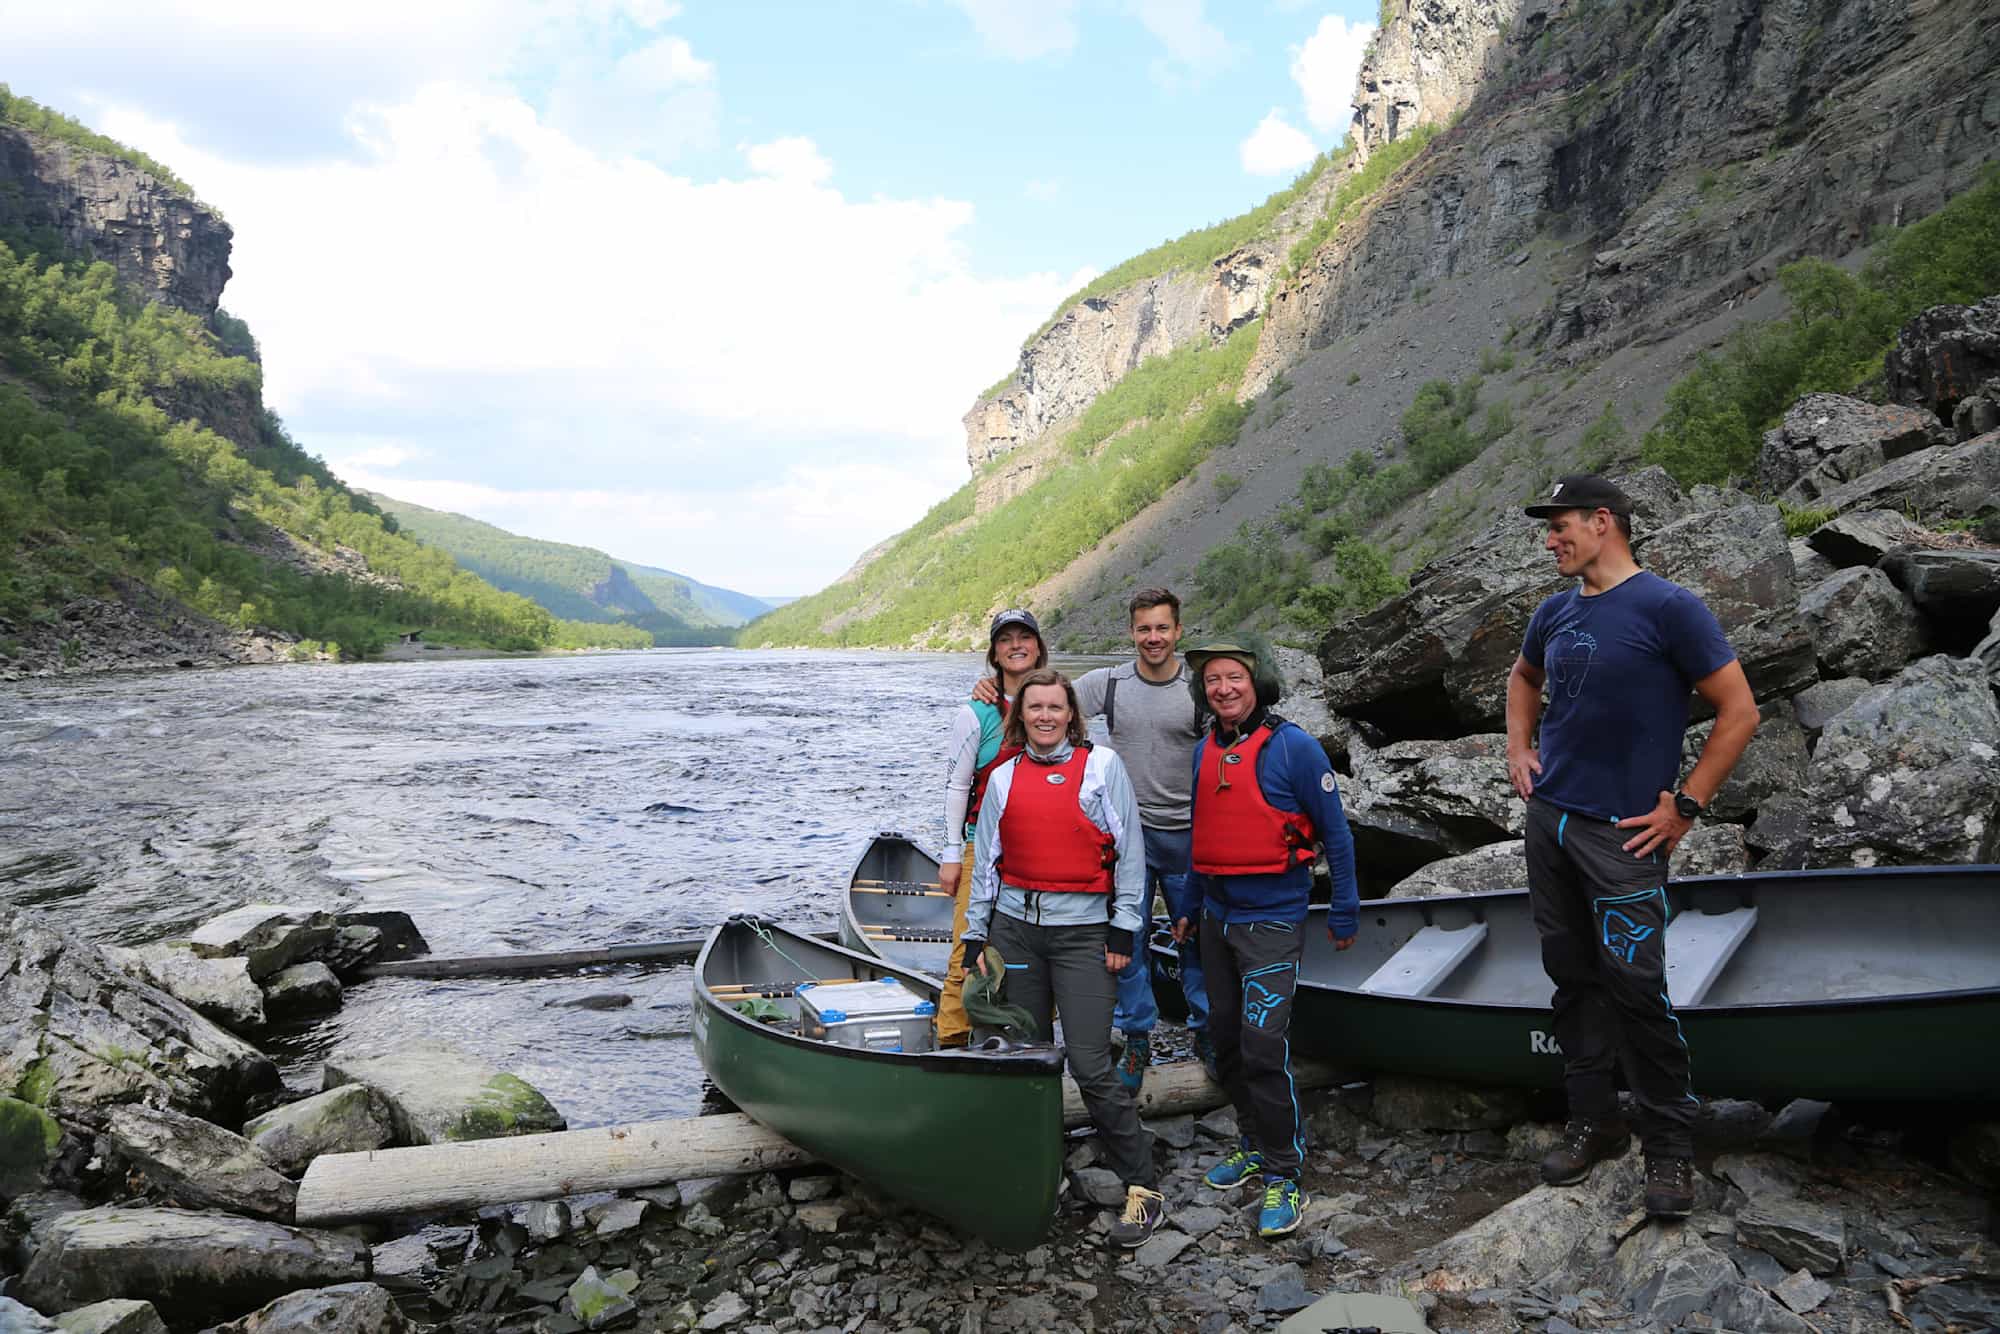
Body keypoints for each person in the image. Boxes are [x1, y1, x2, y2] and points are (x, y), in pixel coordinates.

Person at [1505, 473, 1758, 1220]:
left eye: (1560, 526)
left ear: (1603, 522)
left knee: (1637, 988)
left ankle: (1671, 1149)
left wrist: (1685, 806)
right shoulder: (1553, 611)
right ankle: (1595, 1119)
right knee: (1571, 975)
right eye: (1547, 528)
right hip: (1549, 822)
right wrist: (1519, 747)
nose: (1550, 539)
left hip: (1622, 837)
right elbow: (1523, 678)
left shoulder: (1669, 607)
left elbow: (1739, 710)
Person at [959, 667, 1165, 1247]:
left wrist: (1126, 929)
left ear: (1071, 715)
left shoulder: (1102, 768)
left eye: (1055, 707)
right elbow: (987, 864)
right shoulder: (1002, 778)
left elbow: (1130, 855)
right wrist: (976, 937)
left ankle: (1142, 1186)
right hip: (1016, 933)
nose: (1045, 716)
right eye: (1035, 708)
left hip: (1083, 936)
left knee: (1091, 1063)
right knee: (1022, 1056)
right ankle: (1031, 1172)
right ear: (1020, 717)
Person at [974, 588, 1212, 1088]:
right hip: (1128, 835)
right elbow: (1043, 705)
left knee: (1198, 941)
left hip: (1189, 834)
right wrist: (995, 690)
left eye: (1162, 628)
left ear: (1178, 632)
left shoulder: (1197, 689)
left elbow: (1233, 725)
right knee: (1127, 942)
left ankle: (1206, 1032)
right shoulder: (1110, 683)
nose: (1153, 638)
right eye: (1144, 628)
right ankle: (1138, 1035)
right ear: (1131, 632)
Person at [1184, 637, 1358, 1240]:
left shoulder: (1296, 748)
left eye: (1233, 678)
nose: (1223, 689)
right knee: (1226, 1041)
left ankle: (1286, 1173)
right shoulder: (1205, 748)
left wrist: (1344, 909)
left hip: (1274, 921)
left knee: (1263, 1047)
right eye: (1212, 681)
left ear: (1256, 681)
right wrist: (1185, 907)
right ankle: (1253, 1143)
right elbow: (1196, 836)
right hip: (1216, 918)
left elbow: (1337, 834)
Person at [936, 609, 1045, 1048]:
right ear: (995, 653)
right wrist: (950, 854)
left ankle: (1021, 1039)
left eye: (1024, 637)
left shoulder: (1055, 701)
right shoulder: (975, 711)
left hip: (1040, 848)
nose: (1016, 645)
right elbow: (957, 784)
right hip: (982, 847)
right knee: (967, 951)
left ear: (1038, 647)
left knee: (1033, 950)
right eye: (1005, 640)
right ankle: (950, 1041)